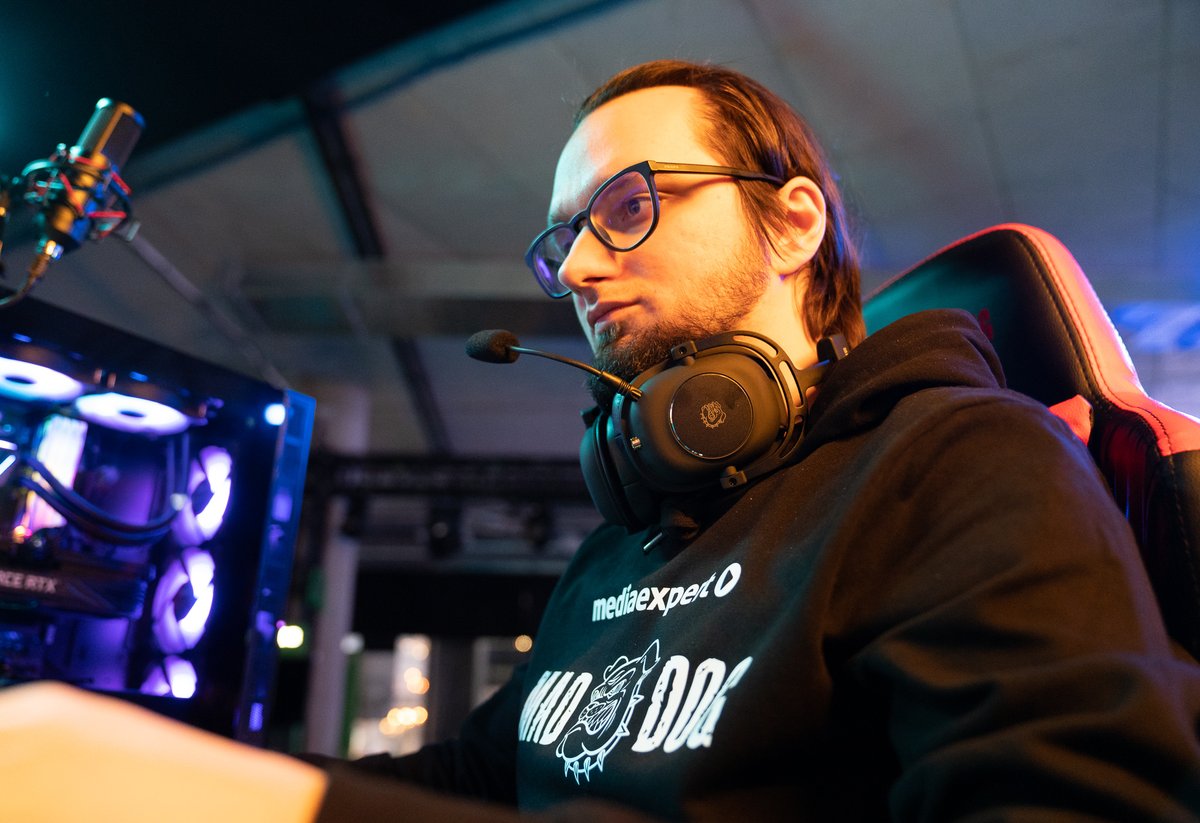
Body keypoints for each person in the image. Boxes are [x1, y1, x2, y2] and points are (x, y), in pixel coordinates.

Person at [2, 58, 1199, 822]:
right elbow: (484, 773)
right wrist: (173, 771)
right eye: (563, 238)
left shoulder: (958, 461)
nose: (576, 266)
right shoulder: (628, 538)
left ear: (792, 224)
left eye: (627, 205)